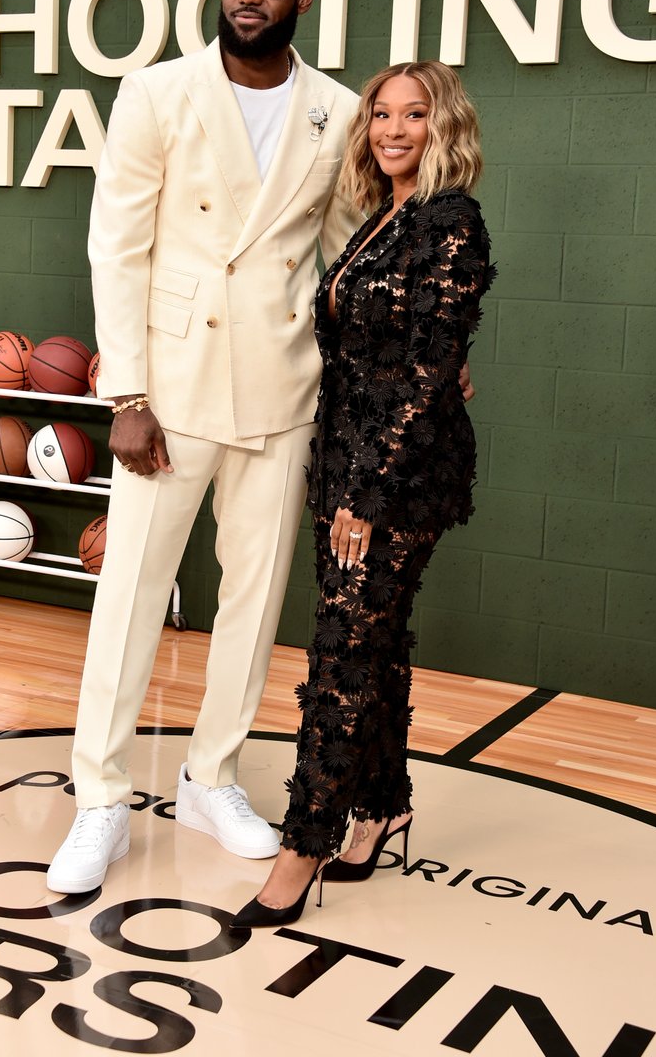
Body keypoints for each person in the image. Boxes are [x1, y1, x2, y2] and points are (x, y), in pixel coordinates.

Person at [46, 0, 364, 894]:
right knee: (131, 594)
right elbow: (117, 247)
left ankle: (208, 775)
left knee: (252, 601)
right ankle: (100, 796)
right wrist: (126, 393)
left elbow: (346, 260)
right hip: (170, 393)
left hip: (280, 387)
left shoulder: (337, 113)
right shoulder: (156, 92)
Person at [231, 60, 495, 929]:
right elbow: (384, 352)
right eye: (380, 113)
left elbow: (423, 371)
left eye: (412, 115)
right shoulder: (381, 220)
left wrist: (369, 494)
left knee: (340, 656)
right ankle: (383, 805)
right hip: (343, 459)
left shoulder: (451, 223)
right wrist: (342, 476)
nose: (391, 129)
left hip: (398, 476)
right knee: (370, 645)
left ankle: (301, 844)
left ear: (442, 125)